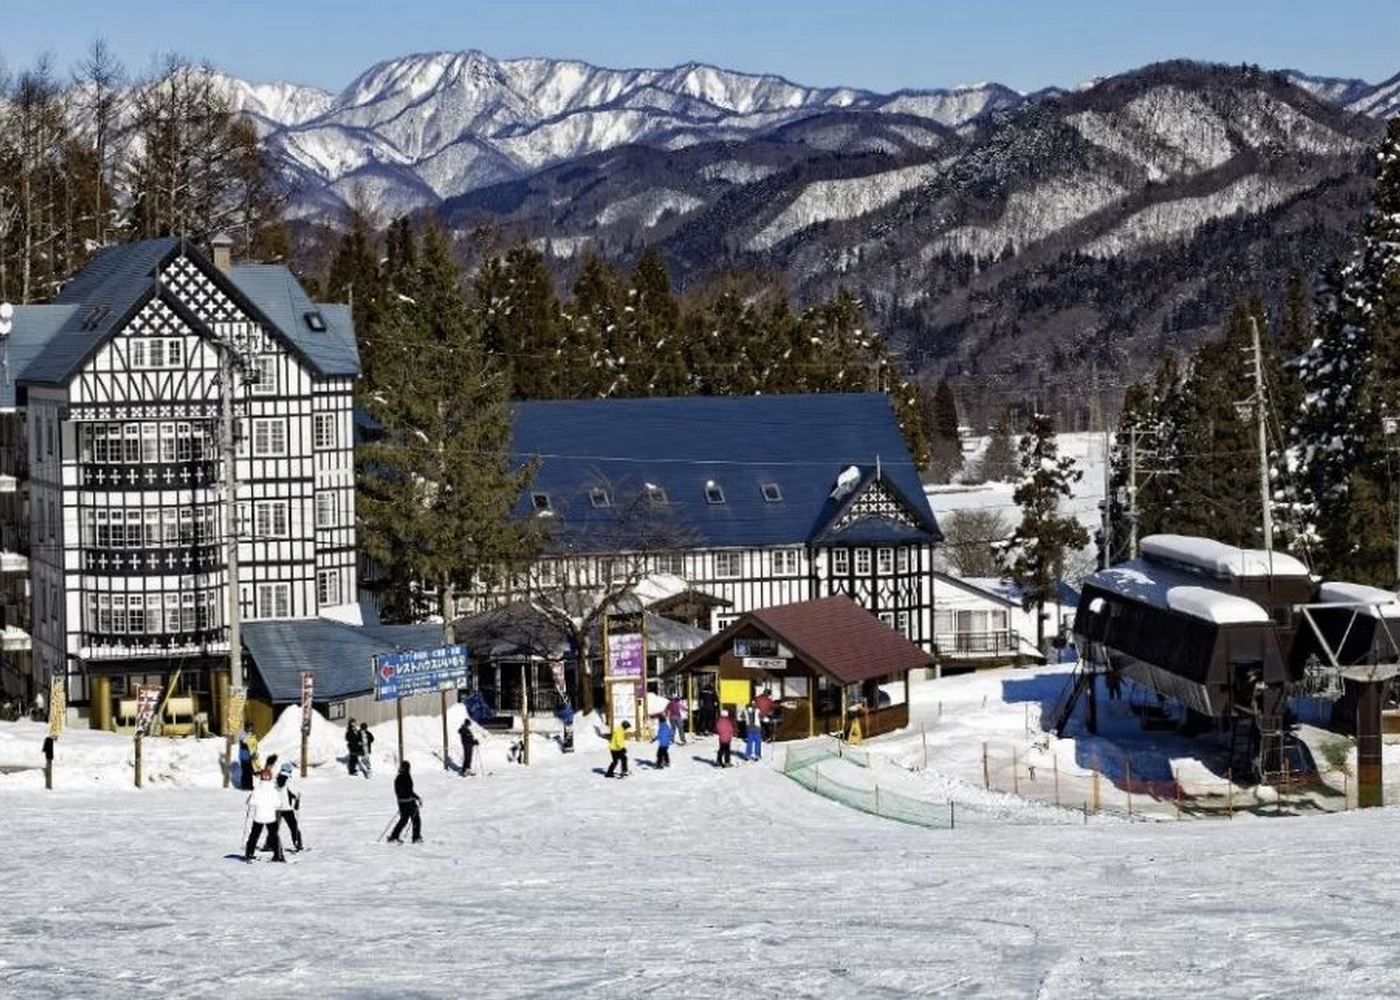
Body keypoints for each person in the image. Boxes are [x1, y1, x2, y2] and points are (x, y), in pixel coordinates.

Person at [244, 767, 286, 863]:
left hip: (259, 817)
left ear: (261, 778)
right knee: (274, 836)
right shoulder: (274, 790)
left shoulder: (257, 789)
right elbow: (279, 804)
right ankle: (277, 855)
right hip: (271, 817)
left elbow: (251, 802)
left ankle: (249, 853)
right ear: (270, 777)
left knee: (254, 835)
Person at [266, 760, 304, 852]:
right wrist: (298, 797)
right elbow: (295, 793)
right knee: (293, 827)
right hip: (287, 809)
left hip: (276, 808)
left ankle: (269, 845)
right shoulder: (289, 781)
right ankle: (297, 843)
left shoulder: (274, 780)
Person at [387, 760, 422, 843]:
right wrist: (411, 797)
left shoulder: (406, 776)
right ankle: (414, 838)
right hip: (405, 803)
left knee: (408, 820)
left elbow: (410, 790)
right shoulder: (400, 778)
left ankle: (395, 836)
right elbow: (402, 791)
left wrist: (417, 798)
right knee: (412, 819)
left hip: (407, 802)